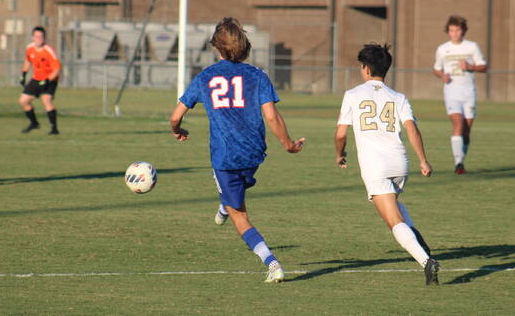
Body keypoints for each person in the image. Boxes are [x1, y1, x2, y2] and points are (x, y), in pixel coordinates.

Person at [169, 17, 305, 283]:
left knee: (239, 215)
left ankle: (271, 262)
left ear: (216, 48)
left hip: (225, 156)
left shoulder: (205, 76)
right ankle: (224, 204)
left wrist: (177, 130)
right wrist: (288, 145)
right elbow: (272, 117)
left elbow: (176, 116)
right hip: (255, 153)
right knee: (234, 192)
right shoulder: (258, 76)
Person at [335, 43, 439, 286]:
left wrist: (340, 154)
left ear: (365, 68)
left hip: (376, 166)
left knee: (393, 221)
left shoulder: (352, 95)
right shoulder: (398, 97)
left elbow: (341, 134)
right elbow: (411, 128)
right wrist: (423, 160)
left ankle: (426, 261)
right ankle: (418, 241)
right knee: (395, 207)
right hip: (400, 163)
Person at [433, 15, 487, 174]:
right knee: (458, 124)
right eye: (451, 30)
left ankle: (461, 161)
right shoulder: (442, 49)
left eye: (457, 30)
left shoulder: (472, 47)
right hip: (451, 92)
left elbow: (483, 66)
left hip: (468, 92)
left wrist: (470, 66)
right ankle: (458, 163)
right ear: (448, 31)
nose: (454, 33)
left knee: (466, 131)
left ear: (463, 31)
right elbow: (436, 68)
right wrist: (442, 75)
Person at [19, 26, 61, 135]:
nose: (38, 39)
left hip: (50, 79)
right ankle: (34, 123)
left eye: (41, 37)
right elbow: (28, 61)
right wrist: (23, 74)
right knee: (23, 101)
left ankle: (54, 128)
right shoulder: (30, 48)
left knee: (46, 100)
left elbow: (57, 69)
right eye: (36, 36)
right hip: (36, 79)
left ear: (44, 38)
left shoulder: (49, 51)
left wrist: (47, 80)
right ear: (33, 37)